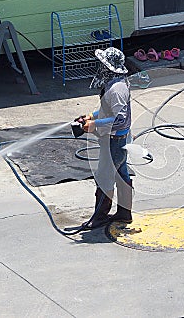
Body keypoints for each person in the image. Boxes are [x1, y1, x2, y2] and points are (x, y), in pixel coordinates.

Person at [81, 47, 133, 229]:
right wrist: (92, 116)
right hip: (117, 140)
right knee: (121, 174)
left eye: (102, 64)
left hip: (115, 141)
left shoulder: (117, 89)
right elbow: (108, 110)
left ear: (109, 67)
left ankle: (100, 217)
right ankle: (124, 213)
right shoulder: (115, 84)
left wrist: (94, 125)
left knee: (104, 177)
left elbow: (119, 118)